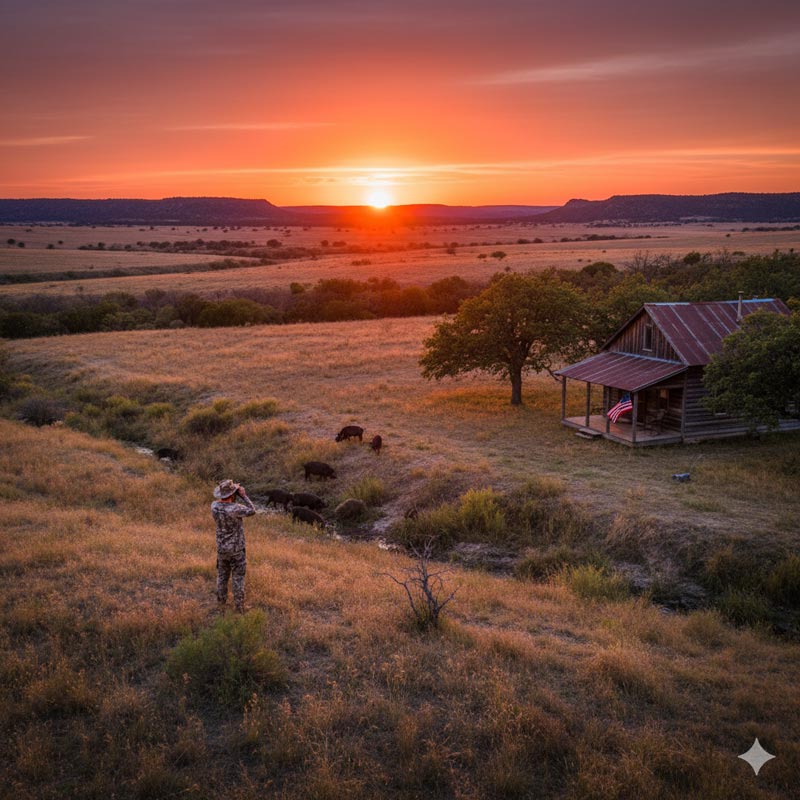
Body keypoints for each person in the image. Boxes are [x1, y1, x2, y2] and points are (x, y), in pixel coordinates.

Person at [211, 479, 255, 613]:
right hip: (236, 550)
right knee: (238, 579)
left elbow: (222, 503)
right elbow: (252, 510)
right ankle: (239, 608)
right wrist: (243, 495)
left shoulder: (214, 506)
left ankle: (221, 605)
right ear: (232, 494)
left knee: (222, 577)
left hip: (221, 549)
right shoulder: (236, 508)